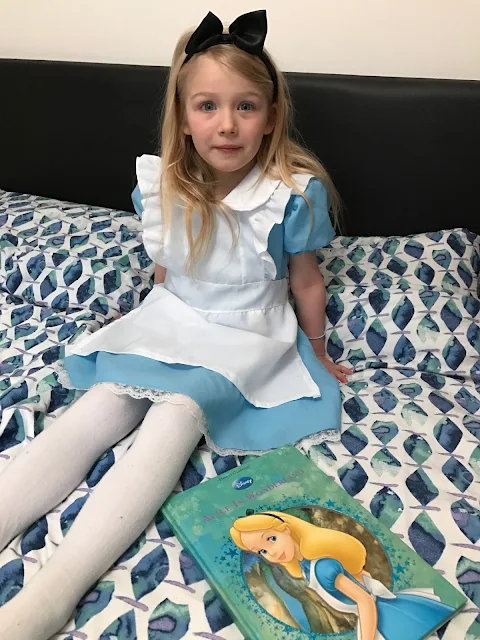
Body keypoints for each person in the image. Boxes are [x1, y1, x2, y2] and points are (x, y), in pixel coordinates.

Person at [0, 10, 352, 639]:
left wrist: (318, 352)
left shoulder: (290, 194)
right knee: (96, 408)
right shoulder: (162, 186)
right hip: (173, 318)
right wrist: (147, 326)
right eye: (208, 106)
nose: (226, 123)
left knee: (178, 413)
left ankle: (56, 588)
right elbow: (171, 268)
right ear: (183, 116)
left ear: (270, 116)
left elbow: (304, 281)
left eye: (246, 107)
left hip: (246, 332)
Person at [231, 510, 456, 640]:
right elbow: (362, 578)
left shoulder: (322, 567)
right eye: (261, 551)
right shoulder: (308, 567)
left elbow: (366, 601)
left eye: (271, 539)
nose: (271, 552)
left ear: (286, 530)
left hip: (386, 618)